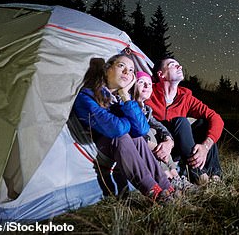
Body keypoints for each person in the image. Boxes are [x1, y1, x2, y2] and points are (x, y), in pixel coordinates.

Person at [72, 52, 175, 202]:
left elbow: (142, 130)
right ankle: (153, 192)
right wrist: (128, 121)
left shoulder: (121, 100)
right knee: (122, 135)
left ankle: (166, 187)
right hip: (99, 145)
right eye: (121, 66)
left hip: (119, 146)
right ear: (107, 70)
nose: (127, 72)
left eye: (132, 70)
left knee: (138, 138)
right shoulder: (87, 96)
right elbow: (117, 129)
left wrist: (125, 95)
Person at [148, 58, 224, 185]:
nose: (180, 67)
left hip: (180, 145)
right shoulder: (148, 91)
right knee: (181, 121)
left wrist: (205, 146)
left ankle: (215, 175)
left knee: (203, 124)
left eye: (179, 65)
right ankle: (200, 175)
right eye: (173, 65)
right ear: (161, 74)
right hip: (162, 145)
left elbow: (216, 118)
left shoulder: (185, 97)